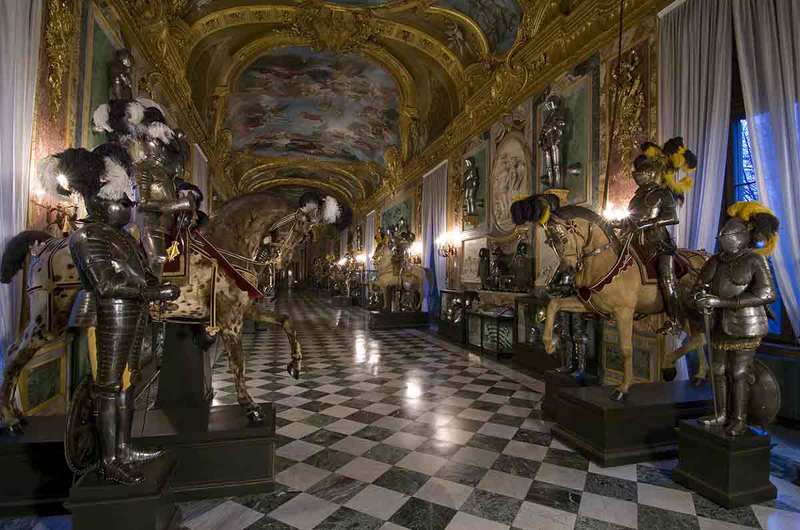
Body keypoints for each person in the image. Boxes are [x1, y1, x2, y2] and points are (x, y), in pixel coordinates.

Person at [44, 144, 179, 484]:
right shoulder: (87, 236)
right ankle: (109, 460)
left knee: (127, 383)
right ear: (102, 201)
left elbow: (139, 273)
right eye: (124, 200)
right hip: (103, 316)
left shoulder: (122, 238)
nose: (130, 205)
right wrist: (151, 292)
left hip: (130, 313)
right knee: (108, 386)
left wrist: (157, 285)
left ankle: (124, 447)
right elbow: (105, 283)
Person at [693, 201, 778, 436]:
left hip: (746, 324)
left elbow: (767, 294)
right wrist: (700, 297)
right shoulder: (716, 260)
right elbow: (700, 285)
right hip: (718, 323)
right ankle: (721, 414)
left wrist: (721, 302)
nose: (725, 238)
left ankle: (739, 419)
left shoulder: (755, 260)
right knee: (717, 369)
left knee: (738, 372)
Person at [613, 137, 697, 333]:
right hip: (634, 242)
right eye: (637, 173)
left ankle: (674, 320)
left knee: (666, 278)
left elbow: (672, 218)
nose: (637, 176)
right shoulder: (636, 198)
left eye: (641, 173)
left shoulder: (663, 194)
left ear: (650, 174)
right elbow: (631, 219)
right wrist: (616, 223)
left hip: (659, 244)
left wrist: (648, 224)